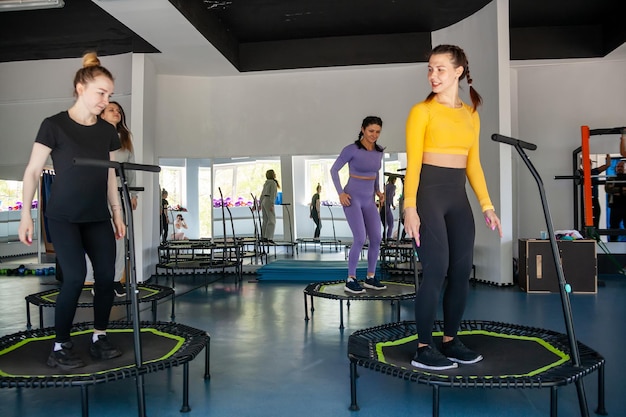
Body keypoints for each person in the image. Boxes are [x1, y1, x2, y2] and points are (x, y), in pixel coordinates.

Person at [18, 52, 125, 370]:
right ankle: (60, 345)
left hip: (97, 216)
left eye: (110, 95)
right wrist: (26, 213)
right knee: (76, 277)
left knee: (106, 278)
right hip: (63, 217)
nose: (106, 101)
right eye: (101, 93)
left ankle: (99, 337)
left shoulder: (106, 131)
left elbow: (108, 173)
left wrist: (117, 212)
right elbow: (33, 170)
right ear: (81, 88)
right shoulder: (54, 126)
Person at [403, 45, 502, 371]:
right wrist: (410, 208)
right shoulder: (422, 111)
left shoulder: (470, 113)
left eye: (440, 69)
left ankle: (450, 340)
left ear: (458, 71)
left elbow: (473, 163)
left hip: (457, 198)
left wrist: (487, 206)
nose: (433, 75)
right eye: (430, 69)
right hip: (429, 196)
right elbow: (413, 165)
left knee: (461, 271)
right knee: (437, 269)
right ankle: (422, 348)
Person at [331, 116, 386, 294]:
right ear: (363, 129)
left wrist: (378, 191)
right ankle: (351, 279)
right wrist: (340, 193)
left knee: (377, 238)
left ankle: (370, 277)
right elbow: (334, 170)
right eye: (371, 131)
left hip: (369, 199)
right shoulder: (351, 149)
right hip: (352, 198)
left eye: (377, 131)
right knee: (360, 238)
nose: (374, 135)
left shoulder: (379, 152)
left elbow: (375, 173)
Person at [100, 101, 137, 296]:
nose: (117, 112)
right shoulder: (94, 134)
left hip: (119, 187)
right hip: (97, 188)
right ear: (102, 114)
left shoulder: (124, 137)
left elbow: (130, 165)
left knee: (119, 235)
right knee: (98, 234)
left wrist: (133, 194)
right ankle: (100, 280)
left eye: (119, 110)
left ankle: (115, 279)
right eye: (111, 110)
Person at [605, 160, 626, 241]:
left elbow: (613, 189)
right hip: (615, 207)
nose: (619, 168)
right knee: (613, 226)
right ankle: (613, 244)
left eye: (621, 167)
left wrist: (618, 191)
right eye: (618, 167)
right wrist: (622, 190)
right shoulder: (611, 178)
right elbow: (608, 189)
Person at [588, 154, 611, 229]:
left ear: (591, 164)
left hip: (594, 198)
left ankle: (596, 237)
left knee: (596, 218)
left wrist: (608, 155)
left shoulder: (594, 171)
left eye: (589, 163)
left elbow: (607, 165)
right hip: (585, 200)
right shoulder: (581, 173)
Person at [259, 169, 279, 243]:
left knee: (265, 220)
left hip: (264, 200)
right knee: (272, 220)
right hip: (268, 201)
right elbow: (273, 194)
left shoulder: (266, 183)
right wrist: (272, 204)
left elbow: (262, 194)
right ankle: (269, 238)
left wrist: (260, 204)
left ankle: (264, 236)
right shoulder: (273, 183)